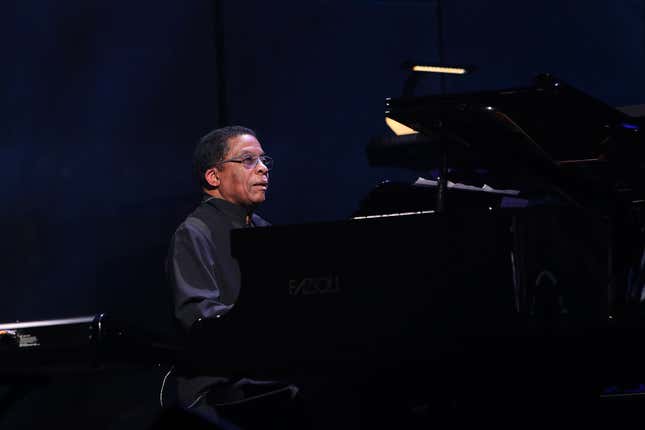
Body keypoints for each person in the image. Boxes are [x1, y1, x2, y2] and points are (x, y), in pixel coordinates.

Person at [159, 126, 305, 429]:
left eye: (264, 160)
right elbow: (199, 318)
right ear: (214, 177)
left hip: (266, 371)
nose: (263, 168)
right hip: (221, 385)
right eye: (248, 160)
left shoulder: (266, 231)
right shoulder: (195, 232)